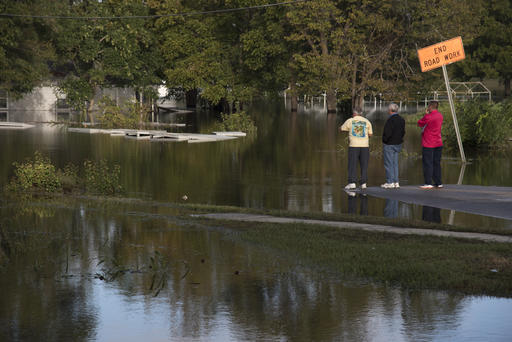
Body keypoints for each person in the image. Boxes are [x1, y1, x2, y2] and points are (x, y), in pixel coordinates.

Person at [340, 107, 373, 190]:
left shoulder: (350, 120)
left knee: (352, 164)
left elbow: (341, 129)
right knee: (364, 165)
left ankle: (352, 183)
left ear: (354, 113)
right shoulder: (367, 121)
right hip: (365, 146)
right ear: (361, 113)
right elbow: (370, 134)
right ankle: (363, 183)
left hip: (354, 146)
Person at [418, 101, 443, 189]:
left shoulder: (429, 116)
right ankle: (438, 182)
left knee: (428, 163)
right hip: (438, 142)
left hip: (428, 142)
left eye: (428, 106)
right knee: (436, 163)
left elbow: (420, 123)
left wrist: (426, 114)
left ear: (430, 107)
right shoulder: (440, 115)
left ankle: (428, 182)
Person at [381, 103, 405, 189]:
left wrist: (384, 140)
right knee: (395, 163)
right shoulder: (401, 119)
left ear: (390, 110)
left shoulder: (390, 120)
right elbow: (403, 132)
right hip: (398, 143)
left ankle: (389, 182)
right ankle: (396, 182)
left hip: (389, 144)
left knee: (388, 164)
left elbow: (387, 133)